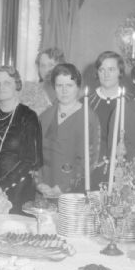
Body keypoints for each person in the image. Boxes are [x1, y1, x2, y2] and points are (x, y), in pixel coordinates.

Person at [0, 65, 42, 217]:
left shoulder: (28, 117)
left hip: (18, 190)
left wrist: (2, 185)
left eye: (7, 83)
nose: (1, 87)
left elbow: (30, 159)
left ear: (17, 85)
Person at [37, 63, 101, 195]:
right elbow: (34, 154)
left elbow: (89, 161)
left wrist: (62, 188)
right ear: (54, 87)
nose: (64, 91)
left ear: (78, 87)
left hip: (72, 191)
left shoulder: (88, 118)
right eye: (60, 86)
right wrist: (39, 183)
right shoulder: (45, 116)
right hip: (44, 187)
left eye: (69, 85)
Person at [89, 51, 125, 159]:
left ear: (120, 72)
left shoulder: (131, 102)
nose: (106, 74)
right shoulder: (86, 103)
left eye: (111, 69)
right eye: (102, 70)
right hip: (93, 167)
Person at [20, 47, 66, 116]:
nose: (46, 70)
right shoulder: (29, 90)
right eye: (42, 65)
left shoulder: (69, 92)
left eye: (51, 65)